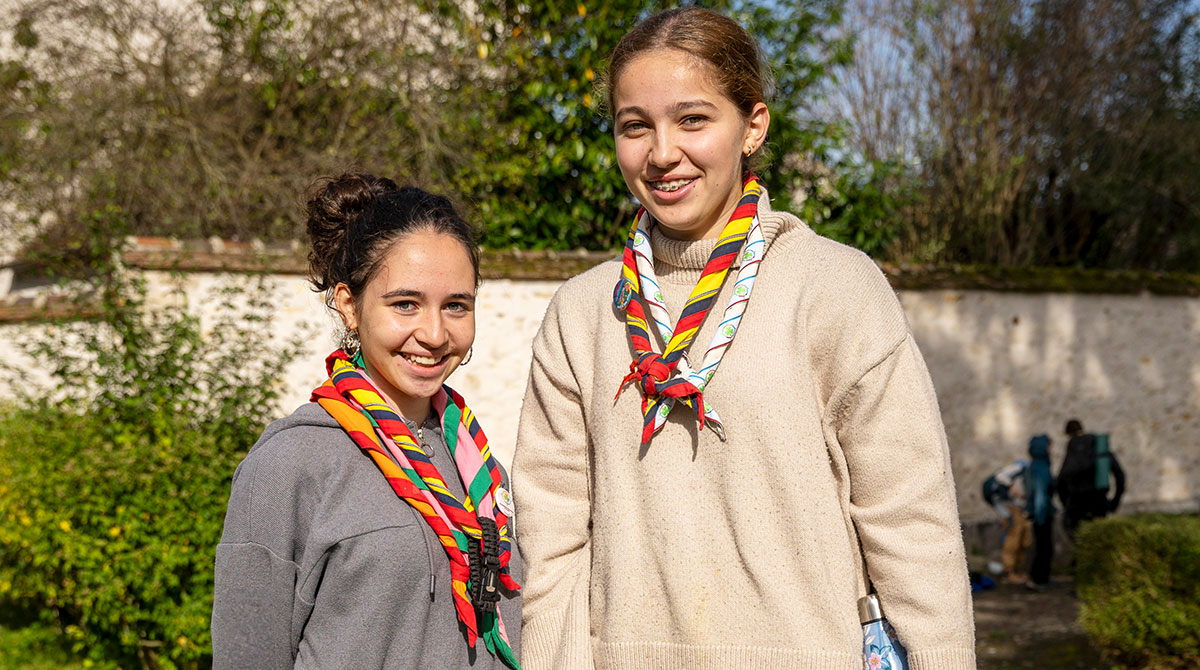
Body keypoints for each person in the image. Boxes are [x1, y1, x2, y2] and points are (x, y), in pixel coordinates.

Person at [511, 8, 975, 670]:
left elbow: (909, 518)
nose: (662, 152)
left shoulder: (835, 287)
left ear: (752, 126)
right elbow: (552, 534)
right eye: (634, 126)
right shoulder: (583, 312)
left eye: (693, 119)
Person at [211, 175, 522, 670]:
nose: (435, 333)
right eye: (405, 304)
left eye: (456, 306)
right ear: (349, 306)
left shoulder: (481, 472)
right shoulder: (289, 466)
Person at [1057, 418, 1125, 539]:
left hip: (1076, 506)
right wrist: (1114, 502)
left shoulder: (1071, 449)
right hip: (1099, 503)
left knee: (1080, 544)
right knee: (1099, 543)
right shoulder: (1099, 447)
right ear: (1082, 429)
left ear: (1068, 434)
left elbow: (1060, 482)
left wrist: (1066, 504)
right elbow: (1120, 475)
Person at [982, 458, 1031, 583]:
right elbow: (1001, 477)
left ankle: (1016, 570)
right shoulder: (1020, 468)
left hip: (1010, 505)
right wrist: (1011, 485)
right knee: (1013, 534)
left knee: (1018, 534)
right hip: (1004, 504)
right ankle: (1009, 572)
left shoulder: (1025, 472)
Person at [1024, 435, 1056, 590]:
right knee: (1044, 547)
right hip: (1042, 514)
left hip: (1040, 512)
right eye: (1049, 446)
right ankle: (1037, 580)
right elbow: (1040, 493)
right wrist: (1041, 515)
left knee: (1044, 547)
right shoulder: (1040, 467)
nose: (1051, 449)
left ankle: (1041, 579)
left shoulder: (1037, 465)